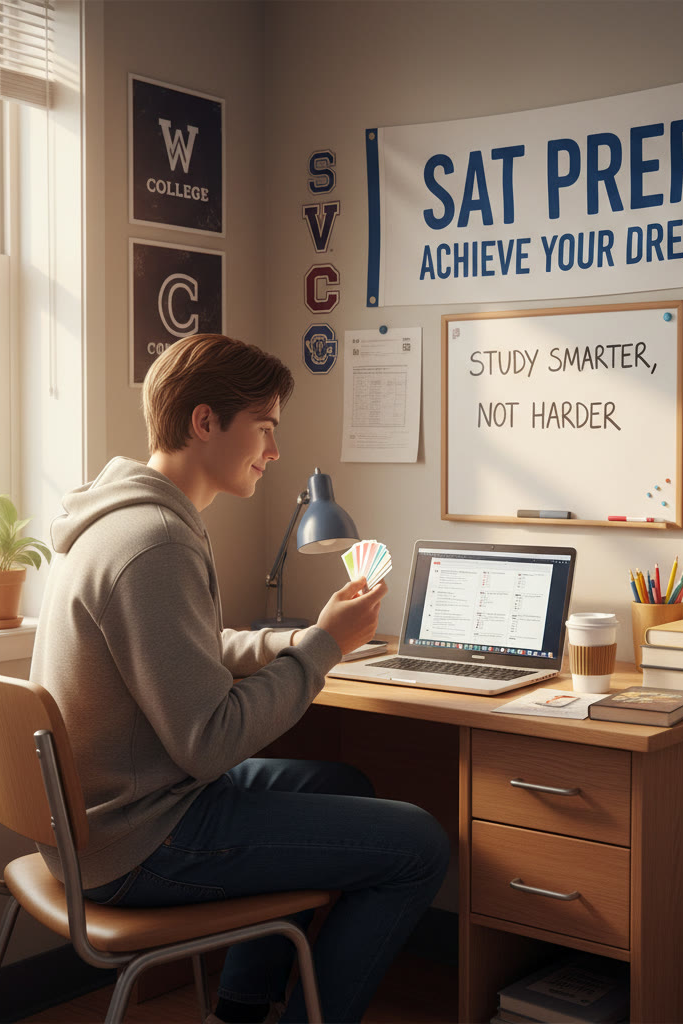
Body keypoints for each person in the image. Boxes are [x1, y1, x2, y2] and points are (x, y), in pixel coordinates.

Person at [30, 333, 450, 1024]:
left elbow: (186, 649)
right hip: (140, 841)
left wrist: (304, 639)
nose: (275, 452)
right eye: (264, 429)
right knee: (419, 844)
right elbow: (210, 739)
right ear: (205, 422)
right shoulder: (156, 542)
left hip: (103, 818)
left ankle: (242, 1009)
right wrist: (318, 653)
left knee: (342, 782)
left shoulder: (124, 517)